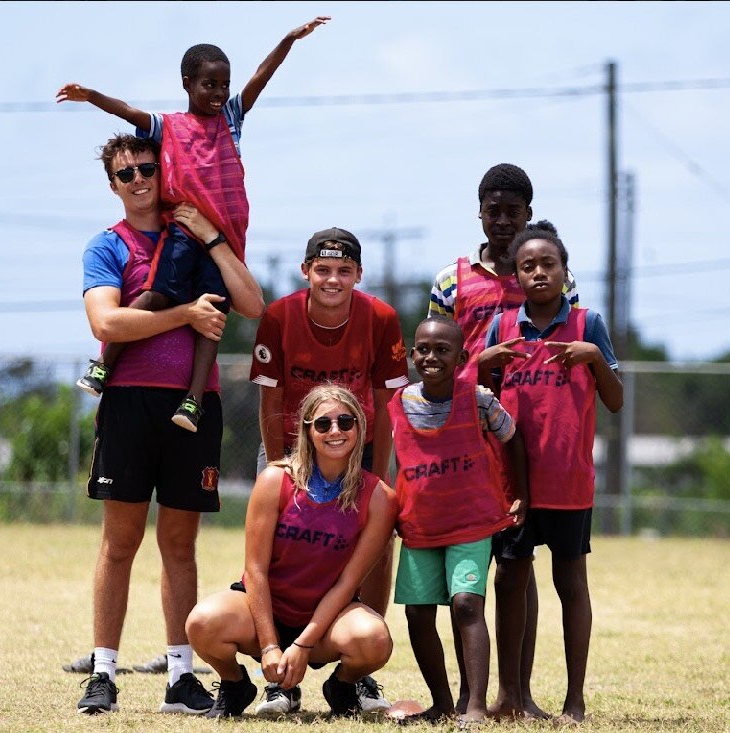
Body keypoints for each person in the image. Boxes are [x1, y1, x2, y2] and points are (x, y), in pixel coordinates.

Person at [57, 16, 328, 431]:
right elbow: (127, 110)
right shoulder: (168, 127)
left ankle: (193, 401)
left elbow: (262, 76)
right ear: (187, 84)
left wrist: (288, 40)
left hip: (223, 239)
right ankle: (104, 364)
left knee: (214, 315)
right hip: (185, 231)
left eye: (223, 84)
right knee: (158, 294)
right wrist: (91, 95)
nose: (219, 93)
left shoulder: (231, 119)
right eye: (209, 85)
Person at [74, 133, 263, 716]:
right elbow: (107, 322)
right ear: (112, 185)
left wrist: (212, 237)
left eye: (147, 167)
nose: (139, 180)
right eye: (126, 174)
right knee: (120, 543)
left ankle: (181, 676)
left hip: (192, 407)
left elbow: (252, 305)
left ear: (164, 169)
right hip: (129, 403)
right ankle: (103, 673)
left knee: (180, 545)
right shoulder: (107, 246)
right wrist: (183, 314)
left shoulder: (196, 234)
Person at [427, 162, 580, 717]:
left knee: (518, 563)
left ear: (528, 214)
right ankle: (467, 697)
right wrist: (475, 365)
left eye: (513, 212)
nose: (503, 221)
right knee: (468, 569)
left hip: (525, 437)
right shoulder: (452, 279)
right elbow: (431, 355)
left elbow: (573, 337)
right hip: (466, 439)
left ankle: (517, 694)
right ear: (480, 213)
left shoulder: (547, 270)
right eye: (494, 211)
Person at [248, 227, 408, 713]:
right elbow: (271, 399)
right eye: (323, 270)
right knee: (276, 549)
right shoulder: (279, 315)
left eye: (343, 271)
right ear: (306, 272)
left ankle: (358, 676)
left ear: (359, 274)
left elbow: (385, 402)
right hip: (292, 449)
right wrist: (282, 466)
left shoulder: (380, 317)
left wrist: (376, 481)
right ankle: (278, 675)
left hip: (358, 449)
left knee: (375, 550)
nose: (333, 279)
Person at [478, 220, 623, 723]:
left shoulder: (588, 324)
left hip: (568, 481)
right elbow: (475, 399)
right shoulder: (502, 327)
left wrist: (594, 360)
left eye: (548, 264)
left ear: (565, 271)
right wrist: (482, 363)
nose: (538, 272)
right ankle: (511, 695)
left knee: (570, 584)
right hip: (515, 485)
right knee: (510, 582)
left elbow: (616, 400)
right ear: (515, 276)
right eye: (527, 266)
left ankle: (574, 701)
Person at [185, 385, 399, 718]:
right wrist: (271, 645)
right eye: (323, 424)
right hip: (267, 614)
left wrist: (303, 644)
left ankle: (341, 687)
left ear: (360, 427)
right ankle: (234, 684)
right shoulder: (275, 480)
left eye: (346, 421)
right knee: (202, 622)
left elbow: (347, 584)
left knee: (374, 640)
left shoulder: (378, 496)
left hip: (328, 621)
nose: (335, 431)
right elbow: (254, 571)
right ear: (307, 430)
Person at [387, 316, 528, 724]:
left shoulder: (479, 400)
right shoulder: (399, 405)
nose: (432, 357)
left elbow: (513, 437)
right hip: (419, 526)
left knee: (467, 604)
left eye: (443, 350)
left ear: (462, 357)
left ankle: (476, 706)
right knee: (417, 613)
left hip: (470, 523)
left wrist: (520, 493)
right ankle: (442, 703)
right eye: (424, 350)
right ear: (412, 356)